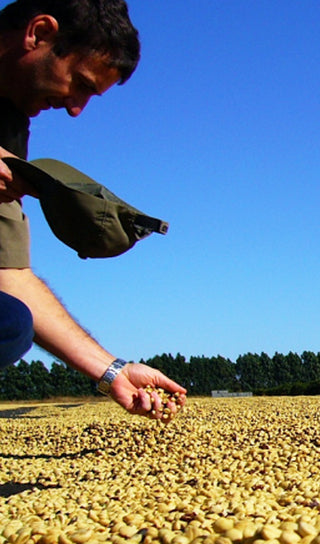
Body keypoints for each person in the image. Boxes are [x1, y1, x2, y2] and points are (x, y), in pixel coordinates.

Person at [0, 0, 186, 422]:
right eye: (80, 83)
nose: (75, 108)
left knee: (9, 324)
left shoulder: (8, 124)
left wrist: (112, 371)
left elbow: (8, 273)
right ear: (40, 33)